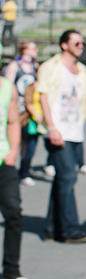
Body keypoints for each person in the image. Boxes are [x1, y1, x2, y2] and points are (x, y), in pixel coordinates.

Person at [36, 29, 86, 243]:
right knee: (68, 176)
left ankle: (51, 228)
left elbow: (85, 100)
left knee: (62, 179)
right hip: (57, 131)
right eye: (77, 43)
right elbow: (43, 97)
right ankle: (69, 229)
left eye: (82, 43)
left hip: (75, 130)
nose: (81, 47)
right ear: (64, 45)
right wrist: (51, 127)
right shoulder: (50, 67)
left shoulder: (81, 69)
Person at [0, 74, 25, 279]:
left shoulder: (7, 87)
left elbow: (13, 121)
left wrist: (13, 151)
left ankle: (11, 270)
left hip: (3, 161)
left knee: (14, 213)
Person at [4, 41, 39, 187]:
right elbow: (7, 87)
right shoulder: (14, 66)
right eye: (33, 48)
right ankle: (9, 171)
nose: (36, 50)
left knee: (30, 142)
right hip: (17, 110)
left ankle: (25, 171)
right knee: (14, 141)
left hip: (31, 110)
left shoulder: (35, 66)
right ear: (24, 50)